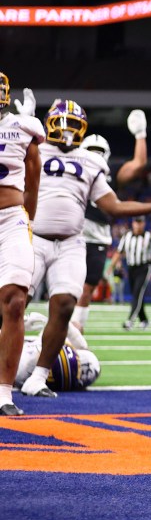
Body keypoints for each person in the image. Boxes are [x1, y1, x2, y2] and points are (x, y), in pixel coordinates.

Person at [21, 99, 151, 398]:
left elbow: (115, 206)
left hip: (72, 242)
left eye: (73, 125)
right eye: (62, 124)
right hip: (34, 237)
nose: (67, 131)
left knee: (65, 306)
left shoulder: (90, 160)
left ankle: (39, 376)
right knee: (13, 302)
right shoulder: (33, 147)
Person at [72, 109, 149, 335]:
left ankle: (77, 327)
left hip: (98, 236)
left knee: (87, 288)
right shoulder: (73, 168)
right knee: (65, 286)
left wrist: (141, 134)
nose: (95, 156)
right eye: (91, 151)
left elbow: (138, 164)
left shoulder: (111, 175)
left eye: (99, 152)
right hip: (73, 232)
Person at [0, 76, 43, 415]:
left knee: (15, 302)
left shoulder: (21, 127)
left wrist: (30, 217)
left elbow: (33, 175)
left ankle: (4, 393)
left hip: (11, 219)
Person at [16, 312, 100, 392]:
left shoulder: (24, 365)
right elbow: (66, 325)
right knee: (75, 326)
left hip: (31, 359)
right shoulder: (90, 364)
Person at [109, 216, 151, 330]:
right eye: (136, 222)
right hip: (131, 268)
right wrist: (111, 266)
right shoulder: (126, 236)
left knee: (137, 293)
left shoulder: (149, 237)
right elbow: (119, 252)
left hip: (144, 267)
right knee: (137, 294)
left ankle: (130, 321)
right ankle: (144, 320)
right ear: (133, 223)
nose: (138, 225)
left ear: (144, 224)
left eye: (140, 222)